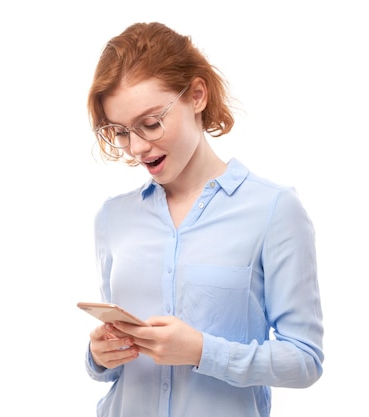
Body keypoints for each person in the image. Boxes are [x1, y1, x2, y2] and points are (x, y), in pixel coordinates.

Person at [83, 21, 324, 417]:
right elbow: (114, 363)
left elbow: (305, 360)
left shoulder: (274, 210)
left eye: (151, 123)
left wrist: (201, 351)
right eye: (121, 131)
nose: (138, 147)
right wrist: (99, 355)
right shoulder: (113, 218)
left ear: (196, 95)